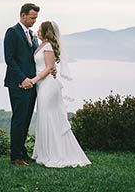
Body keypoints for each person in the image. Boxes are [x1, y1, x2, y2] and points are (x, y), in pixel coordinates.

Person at [29, 21, 91, 168]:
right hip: (42, 85)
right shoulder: (41, 45)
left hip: (47, 86)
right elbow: (48, 65)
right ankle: (45, 152)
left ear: (45, 32)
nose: (37, 31)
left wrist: (34, 80)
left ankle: (56, 153)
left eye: (39, 29)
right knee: (44, 117)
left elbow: (49, 67)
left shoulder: (48, 46)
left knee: (50, 118)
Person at [3, 3, 40, 166]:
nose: (34, 21)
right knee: (19, 119)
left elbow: (35, 57)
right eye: (32, 18)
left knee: (26, 119)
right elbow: (9, 59)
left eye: (36, 18)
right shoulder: (12, 32)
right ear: (23, 15)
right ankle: (15, 156)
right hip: (18, 84)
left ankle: (22, 152)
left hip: (32, 84)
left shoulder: (31, 34)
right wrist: (22, 79)